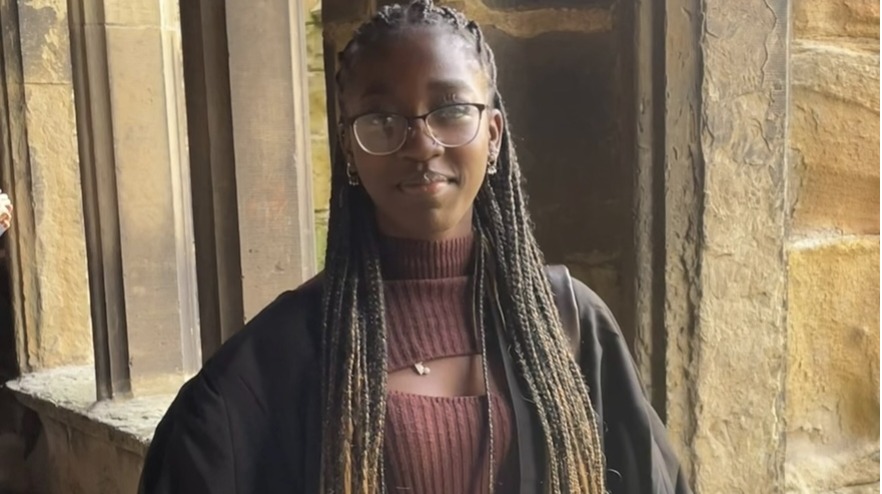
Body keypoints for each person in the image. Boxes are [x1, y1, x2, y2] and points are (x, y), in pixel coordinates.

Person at [139, 2, 690, 493]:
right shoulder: (283, 357)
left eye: (451, 111)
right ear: (349, 149)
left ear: (493, 134)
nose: (420, 144)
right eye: (382, 120)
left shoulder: (570, 326)